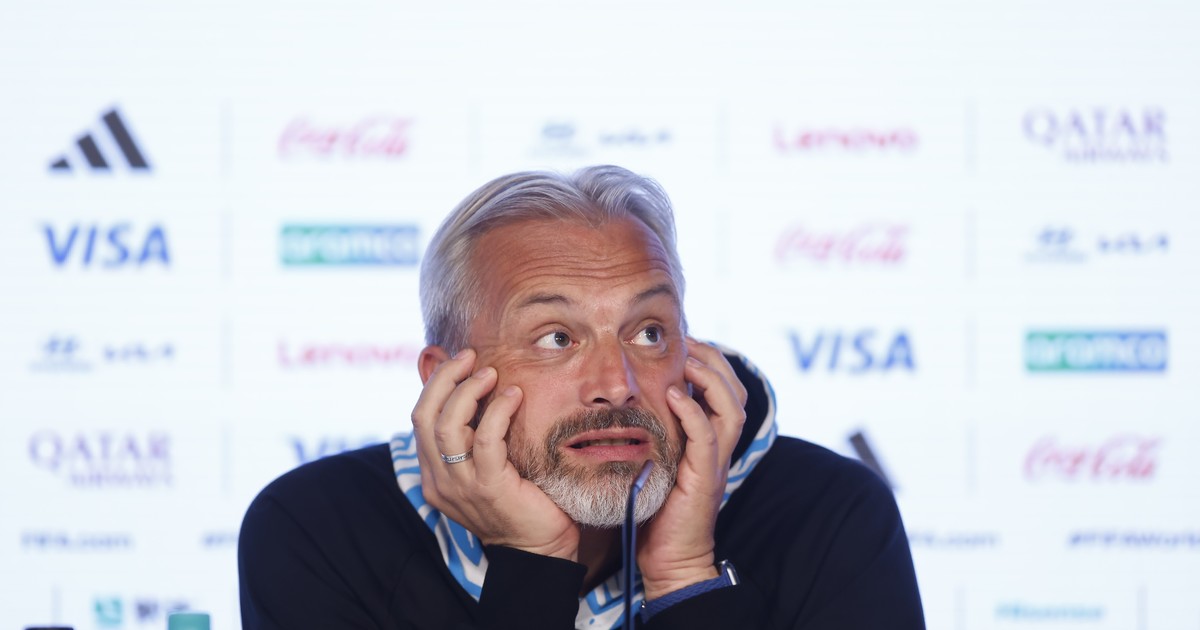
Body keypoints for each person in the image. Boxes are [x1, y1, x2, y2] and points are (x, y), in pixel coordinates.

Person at [238, 165, 926, 629]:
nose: (616, 384)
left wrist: (685, 576)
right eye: (556, 338)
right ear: (448, 379)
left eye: (649, 331)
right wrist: (532, 562)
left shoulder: (830, 513)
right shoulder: (319, 530)